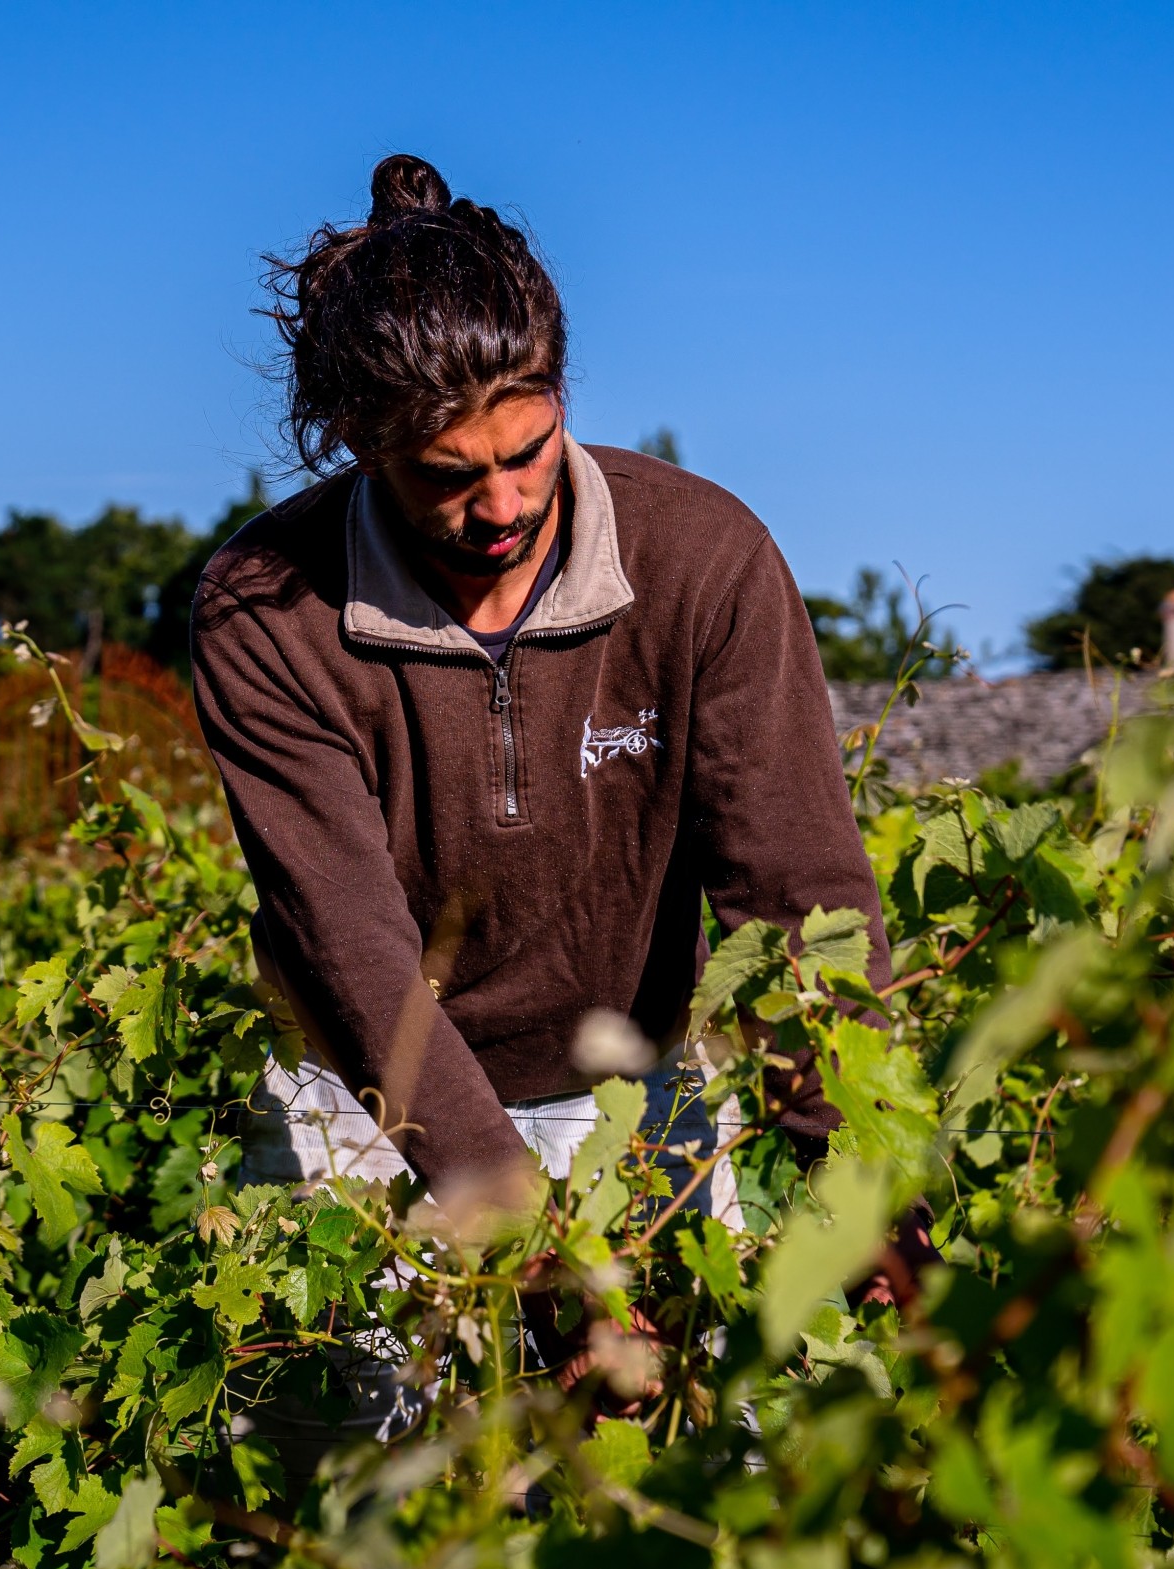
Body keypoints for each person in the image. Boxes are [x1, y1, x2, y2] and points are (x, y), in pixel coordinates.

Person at [189, 155, 893, 1405]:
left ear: (563, 390)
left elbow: (792, 887)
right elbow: (352, 958)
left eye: (528, 451)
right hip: (364, 1116)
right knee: (375, 1518)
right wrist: (535, 1252)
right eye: (446, 476)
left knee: (677, 1512)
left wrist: (850, 1166)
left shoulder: (701, 559)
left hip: (635, 1107)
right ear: (354, 442)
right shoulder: (269, 611)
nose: (502, 506)